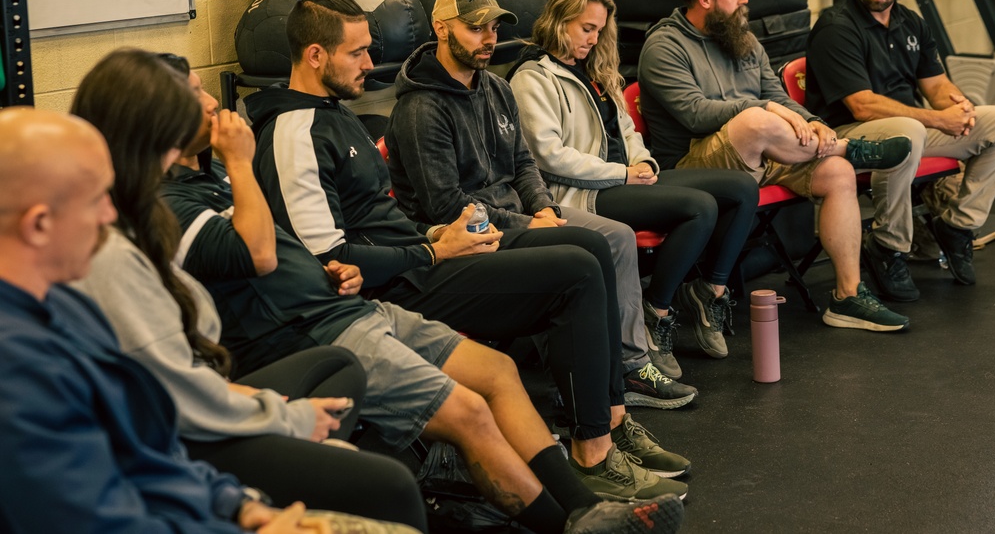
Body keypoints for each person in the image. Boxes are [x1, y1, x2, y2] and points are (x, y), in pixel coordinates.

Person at [165, 47, 692, 508]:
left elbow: (352, 236)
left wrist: (440, 234)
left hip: (401, 268)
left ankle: (609, 429)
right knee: (576, 267)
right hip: (383, 288)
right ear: (316, 55)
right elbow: (298, 251)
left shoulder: (330, 118)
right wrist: (433, 248)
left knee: (587, 252)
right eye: (358, 52)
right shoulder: (290, 134)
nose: (371, 63)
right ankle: (590, 456)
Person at [0, 107, 411, 534]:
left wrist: (237, 504)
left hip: (195, 501)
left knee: (344, 380)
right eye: (96, 199)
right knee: (390, 493)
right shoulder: (18, 371)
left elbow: (148, 449)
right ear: (40, 225)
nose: (108, 216)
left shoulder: (66, 307)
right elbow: (98, 518)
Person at [384, 0, 698, 404]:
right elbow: (447, 207)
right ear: (441, 29)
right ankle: (598, 385)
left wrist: (544, 208)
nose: (489, 38)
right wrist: (531, 222)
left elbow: (524, 165)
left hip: (518, 218)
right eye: (475, 28)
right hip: (469, 236)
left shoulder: (494, 88)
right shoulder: (421, 108)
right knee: (585, 248)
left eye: (494, 28)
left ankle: (627, 366)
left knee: (617, 237)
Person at [638, 0, 913, 333]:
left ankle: (847, 297)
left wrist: (813, 123)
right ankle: (851, 146)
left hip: (762, 153)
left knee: (836, 172)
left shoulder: (741, 38)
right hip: (693, 165)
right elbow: (695, 114)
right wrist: (765, 108)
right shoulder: (664, 46)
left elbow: (776, 94)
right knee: (754, 121)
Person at [508, 0, 759, 375]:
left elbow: (628, 131)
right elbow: (549, 156)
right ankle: (656, 312)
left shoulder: (595, 69)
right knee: (699, 207)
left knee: (743, 188)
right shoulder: (533, 77)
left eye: (598, 30)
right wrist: (623, 173)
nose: (592, 38)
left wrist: (645, 164)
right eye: (585, 28)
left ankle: (709, 291)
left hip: (625, 177)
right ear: (560, 20)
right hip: (584, 191)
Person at [807, 0, 995, 298]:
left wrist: (959, 106)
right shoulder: (836, 26)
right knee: (907, 132)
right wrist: (938, 119)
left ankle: (959, 226)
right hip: (848, 138)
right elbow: (862, 105)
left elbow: (936, 85)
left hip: (912, 129)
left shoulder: (911, 22)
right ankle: (888, 245)